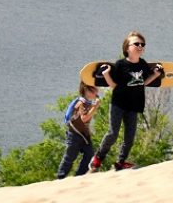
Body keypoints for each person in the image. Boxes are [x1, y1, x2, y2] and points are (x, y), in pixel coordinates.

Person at [90, 31, 163, 171]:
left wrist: (155, 75)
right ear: (127, 48)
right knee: (113, 133)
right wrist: (105, 74)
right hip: (118, 103)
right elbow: (113, 85)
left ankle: (120, 162)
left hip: (134, 105)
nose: (140, 46)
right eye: (136, 44)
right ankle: (98, 157)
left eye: (142, 44)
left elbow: (143, 82)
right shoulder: (120, 65)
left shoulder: (143, 64)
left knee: (130, 137)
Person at [56, 82, 101, 178]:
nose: (96, 92)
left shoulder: (88, 102)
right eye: (93, 90)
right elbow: (84, 118)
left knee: (89, 155)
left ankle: (79, 176)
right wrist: (95, 107)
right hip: (74, 135)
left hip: (84, 135)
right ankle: (60, 178)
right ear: (86, 91)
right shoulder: (82, 103)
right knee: (69, 158)